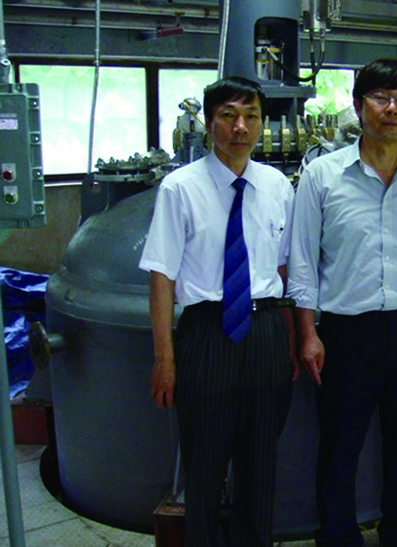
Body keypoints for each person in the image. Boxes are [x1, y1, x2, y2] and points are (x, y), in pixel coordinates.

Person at [287, 58, 397, 547]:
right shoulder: (322, 176)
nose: (392, 109)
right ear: (358, 105)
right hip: (345, 333)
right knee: (340, 445)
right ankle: (338, 536)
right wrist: (307, 332)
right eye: (381, 97)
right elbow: (302, 261)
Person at [139, 76, 297, 547]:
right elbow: (162, 277)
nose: (240, 127)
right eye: (228, 116)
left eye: (251, 116)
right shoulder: (179, 188)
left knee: (260, 464)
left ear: (263, 124)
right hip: (206, 332)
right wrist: (165, 358)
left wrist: (289, 341)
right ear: (209, 124)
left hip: (265, 328)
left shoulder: (277, 186)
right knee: (204, 465)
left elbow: (284, 269)